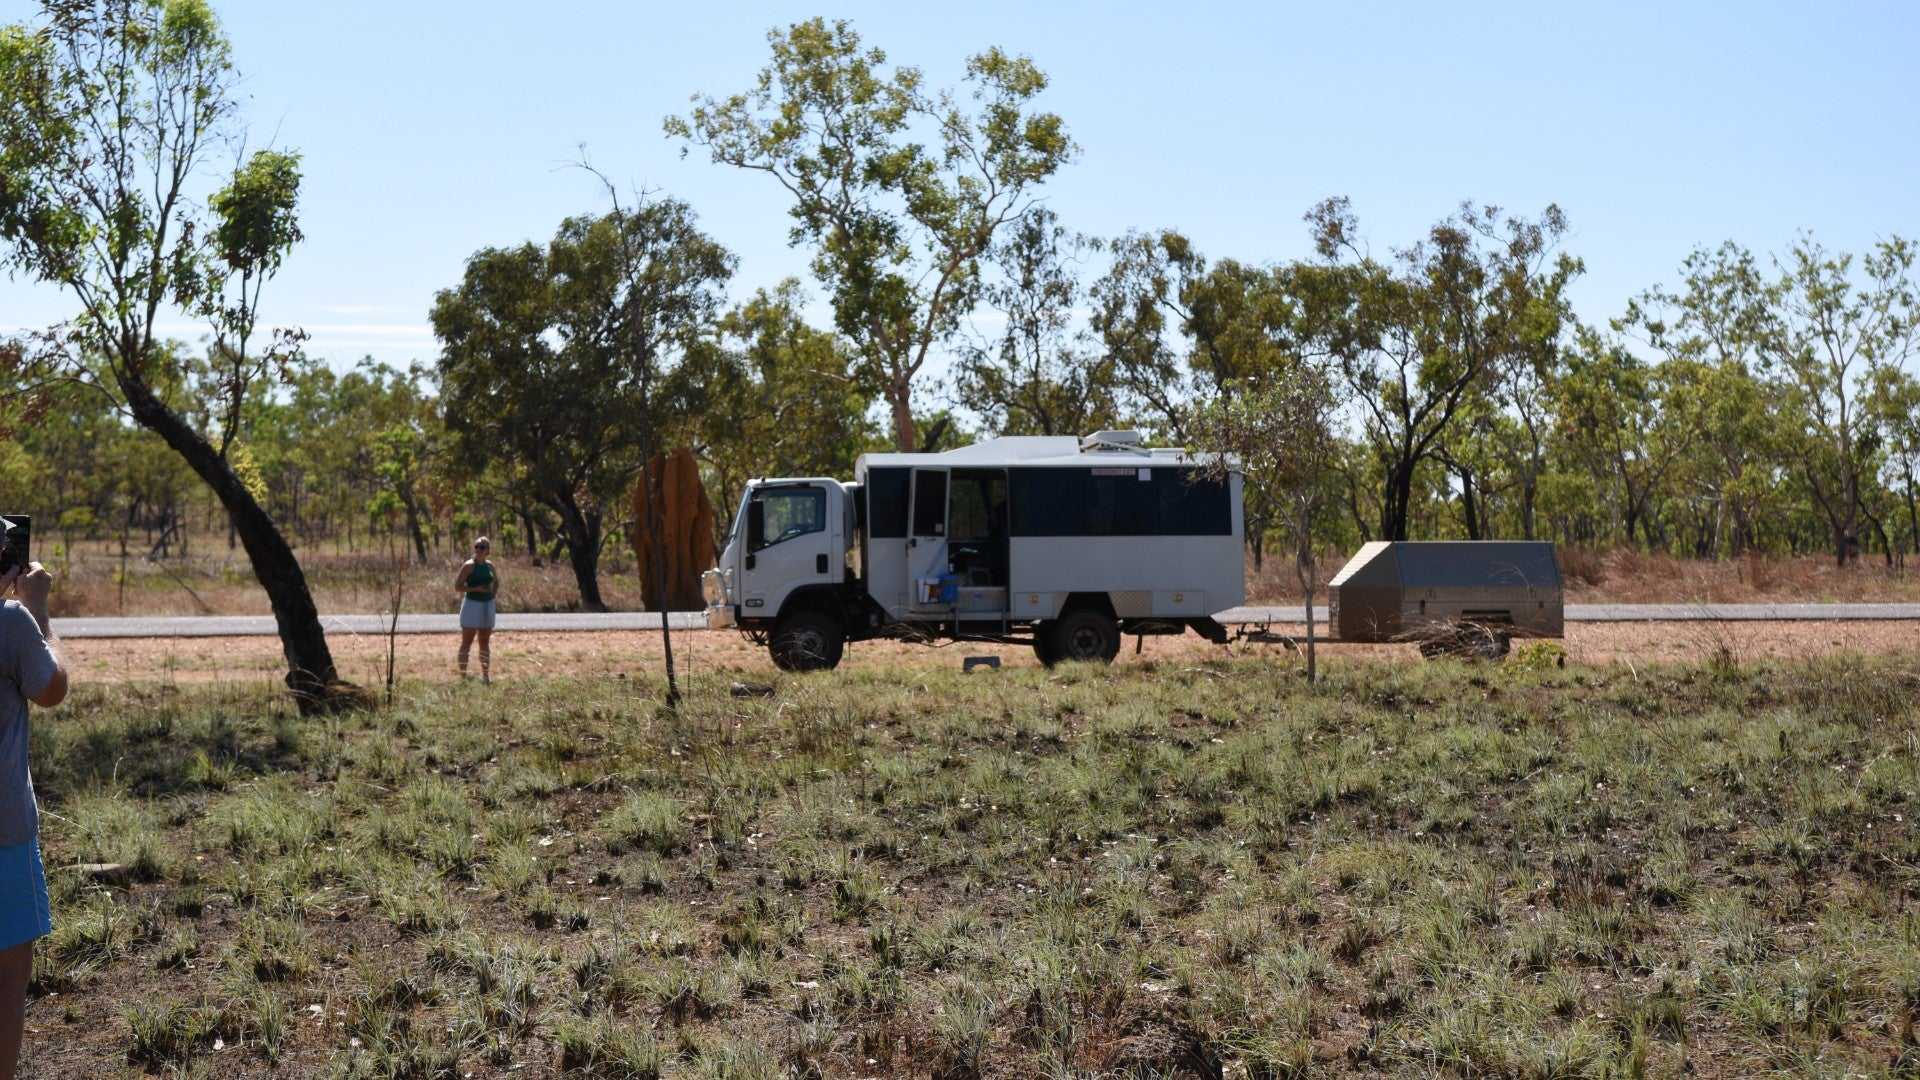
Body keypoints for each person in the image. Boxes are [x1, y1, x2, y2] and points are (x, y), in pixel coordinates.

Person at [0, 561, 67, 1080]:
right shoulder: (11, 622)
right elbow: (51, 688)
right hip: (5, 832)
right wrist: (38, 608)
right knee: (7, 982)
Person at [454, 537, 498, 682]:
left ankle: (486, 675)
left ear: (488, 551)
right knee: (467, 641)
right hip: (472, 605)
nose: (479, 550)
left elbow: (496, 581)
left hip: (487, 604)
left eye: (482, 547)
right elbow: (458, 586)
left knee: (484, 641)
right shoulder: (468, 566)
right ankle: (463, 676)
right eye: (477, 547)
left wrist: (493, 595)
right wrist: (476, 589)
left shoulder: (490, 566)